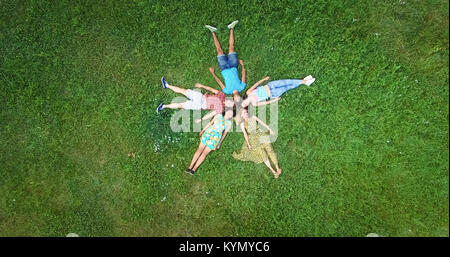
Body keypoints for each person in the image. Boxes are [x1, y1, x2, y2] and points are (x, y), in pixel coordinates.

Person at [232, 108, 282, 178]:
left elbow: (262, 123)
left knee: (270, 150)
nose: (246, 113)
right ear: (241, 116)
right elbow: (245, 134)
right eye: (243, 113)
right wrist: (248, 144)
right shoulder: (242, 124)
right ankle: (273, 171)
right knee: (263, 154)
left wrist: (270, 130)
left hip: (261, 134)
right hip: (253, 139)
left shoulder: (253, 116)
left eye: (246, 112)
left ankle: (277, 167)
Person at [186, 109, 234, 175]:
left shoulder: (229, 123)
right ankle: (190, 166)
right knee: (199, 149)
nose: (229, 114)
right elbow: (211, 123)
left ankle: (194, 169)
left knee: (204, 153)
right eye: (229, 112)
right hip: (209, 133)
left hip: (215, 138)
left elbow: (224, 134)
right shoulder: (218, 115)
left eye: (231, 114)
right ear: (225, 111)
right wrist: (203, 130)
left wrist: (219, 143)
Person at [205, 20, 247, 96]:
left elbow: (219, 82)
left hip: (224, 68)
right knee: (231, 48)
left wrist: (213, 73)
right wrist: (242, 65)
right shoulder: (242, 87)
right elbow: (243, 74)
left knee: (219, 51)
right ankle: (231, 28)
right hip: (233, 65)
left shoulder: (227, 91)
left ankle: (212, 32)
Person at [156, 77, 233, 115]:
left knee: (181, 105)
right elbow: (212, 89)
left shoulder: (221, 109)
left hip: (199, 105)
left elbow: (212, 114)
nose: (229, 102)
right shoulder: (222, 95)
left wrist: (202, 119)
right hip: (200, 97)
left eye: (230, 105)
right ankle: (166, 85)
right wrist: (201, 86)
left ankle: (163, 106)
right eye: (231, 101)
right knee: (183, 91)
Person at [241, 75, 316, 107]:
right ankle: (305, 81)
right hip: (273, 93)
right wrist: (275, 100)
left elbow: (256, 84)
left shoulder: (248, 92)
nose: (245, 105)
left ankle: (305, 81)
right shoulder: (254, 104)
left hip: (270, 85)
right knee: (288, 87)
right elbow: (266, 102)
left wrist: (264, 79)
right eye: (244, 106)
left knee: (287, 81)